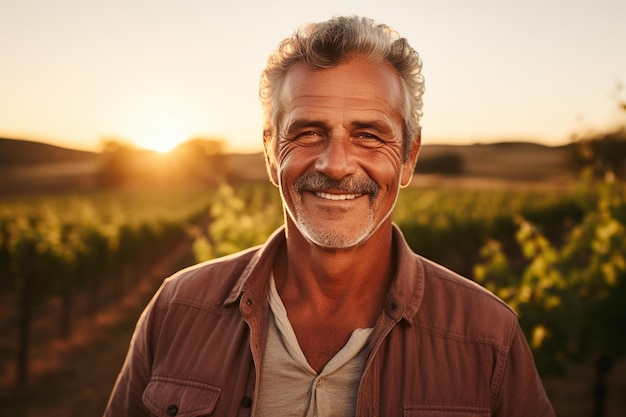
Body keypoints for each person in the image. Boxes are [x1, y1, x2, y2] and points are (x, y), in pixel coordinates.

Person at [103, 15, 555, 417]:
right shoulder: (177, 309)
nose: (335, 165)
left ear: (408, 158)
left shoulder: (488, 337)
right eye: (309, 132)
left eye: (368, 135)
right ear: (269, 152)